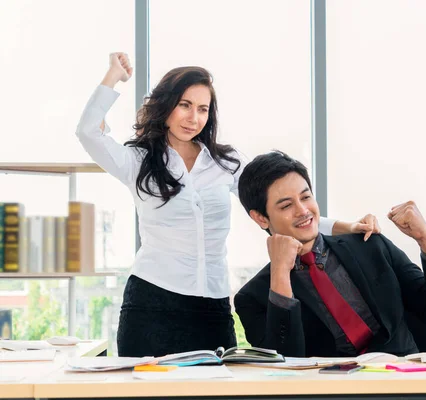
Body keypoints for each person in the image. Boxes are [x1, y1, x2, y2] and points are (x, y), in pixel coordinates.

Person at [76, 53, 381, 357]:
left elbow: (280, 208)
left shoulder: (226, 162)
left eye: (202, 109)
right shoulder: (138, 161)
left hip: (213, 306)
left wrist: (347, 227)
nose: (193, 117)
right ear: (165, 104)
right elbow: (88, 132)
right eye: (184, 105)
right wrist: (114, 75)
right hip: (151, 302)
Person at [234, 151, 426, 357]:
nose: (303, 211)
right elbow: (284, 365)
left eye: (305, 197)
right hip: (331, 393)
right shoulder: (254, 297)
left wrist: (425, 239)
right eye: (286, 206)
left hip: (401, 382)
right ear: (260, 218)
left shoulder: (369, 246)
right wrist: (281, 273)